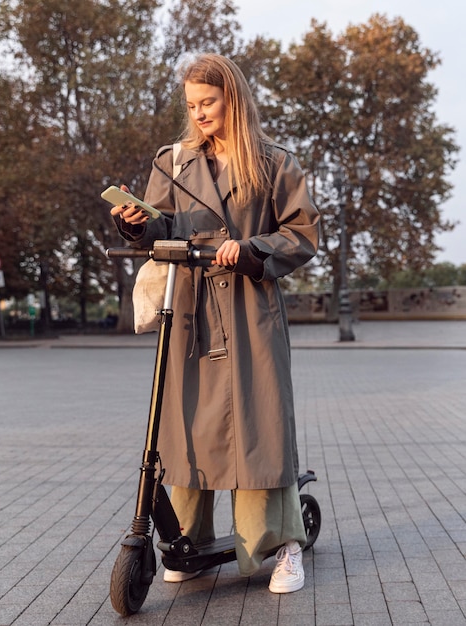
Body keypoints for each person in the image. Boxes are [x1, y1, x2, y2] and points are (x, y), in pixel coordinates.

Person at [110, 53, 320, 594]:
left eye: (209, 103)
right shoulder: (173, 162)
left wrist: (249, 248)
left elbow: (300, 235)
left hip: (250, 308)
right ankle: (186, 542)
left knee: (260, 426)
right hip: (191, 309)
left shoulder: (274, 163)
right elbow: (161, 227)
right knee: (186, 427)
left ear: (233, 98)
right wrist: (137, 223)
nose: (199, 114)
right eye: (192, 105)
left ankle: (281, 548)